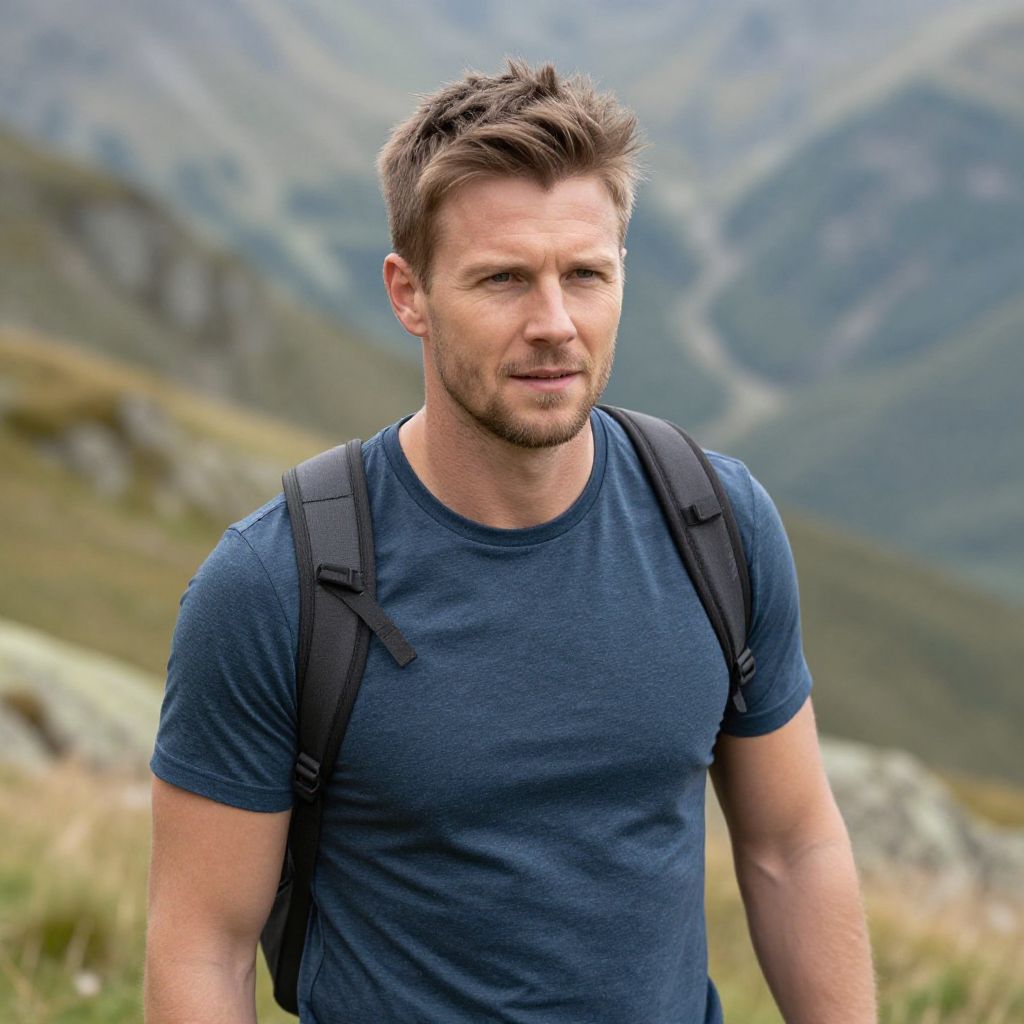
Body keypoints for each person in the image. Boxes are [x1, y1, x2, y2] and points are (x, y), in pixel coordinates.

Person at [144, 60, 876, 1023]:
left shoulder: (716, 522)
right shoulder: (275, 586)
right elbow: (203, 945)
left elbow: (793, 848)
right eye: (503, 280)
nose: (555, 324)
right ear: (410, 294)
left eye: (586, 275)